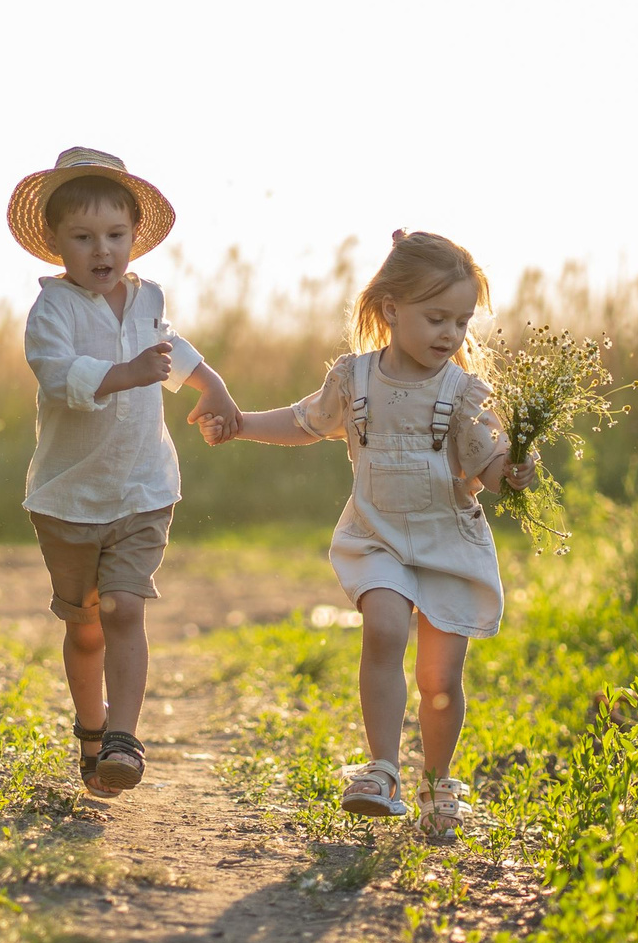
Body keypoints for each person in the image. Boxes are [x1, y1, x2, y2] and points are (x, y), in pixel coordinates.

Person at [223, 231, 533, 842]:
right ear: (391, 309)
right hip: (378, 538)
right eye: (435, 317)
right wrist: (240, 425)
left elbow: (490, 467)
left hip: (448, 543)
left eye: (461, 321)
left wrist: (515, 472)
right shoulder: (355, 379)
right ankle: (383, 770)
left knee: (441, 679)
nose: (449, 334)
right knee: (385, 628)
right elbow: (304, 421)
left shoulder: (465, 393)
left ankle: (438, 783)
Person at [12, 148, 242, 796]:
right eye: (82, 238)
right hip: (67, 498)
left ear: (134, 237)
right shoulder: (52, 312)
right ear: (55, 243)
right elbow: (61, 378)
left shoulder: (148, 300)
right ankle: (92, 727)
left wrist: (213, 386)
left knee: (122, 609)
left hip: (142, 490)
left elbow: (175, 348)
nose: (101, 249)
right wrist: (126, 375)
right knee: (83, 628)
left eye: (115, 235)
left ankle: (124, 738)